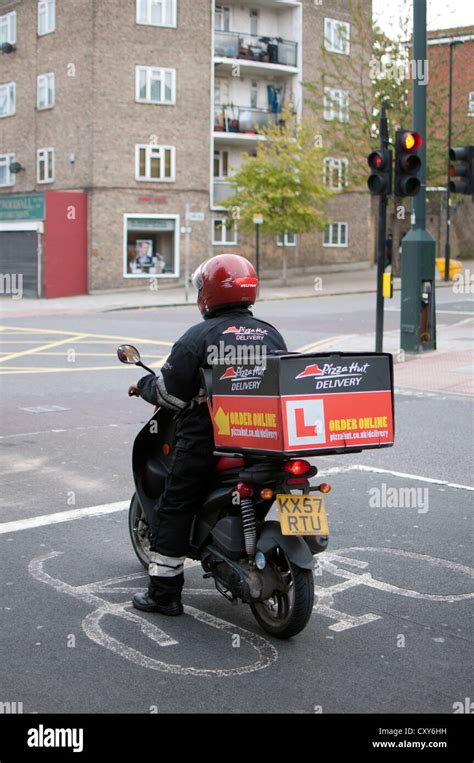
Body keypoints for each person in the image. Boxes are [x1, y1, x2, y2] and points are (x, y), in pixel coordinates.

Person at [128, 253, 288, 615]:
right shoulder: (269, 333)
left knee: (175, 502)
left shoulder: (198, 337)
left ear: (207, 293)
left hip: (208, 440)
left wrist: (144, 385)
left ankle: (164, 594)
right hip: (263, 441)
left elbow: (171, 392)